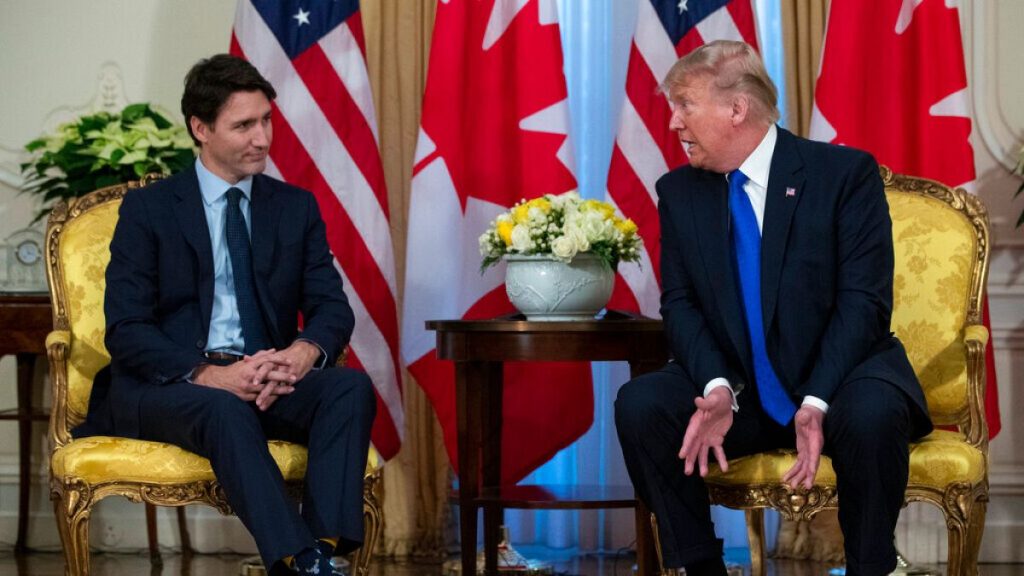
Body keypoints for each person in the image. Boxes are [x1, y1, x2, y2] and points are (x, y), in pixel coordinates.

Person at [614, 40, 932, 576]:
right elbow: (682, 304)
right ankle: (701, 567)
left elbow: (864, 304)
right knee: (642, 405)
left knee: (875, 414)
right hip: (742, 393)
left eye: (685, 104)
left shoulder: (843, 175)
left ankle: (871, 567)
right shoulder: (680, 192)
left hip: (841, 380)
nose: (673, 123)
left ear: (736, 108)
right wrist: (716, 387)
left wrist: (816, 399)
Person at [78, 54, 375, 576]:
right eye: (244, 125)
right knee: (224, 408)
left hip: (265, 377)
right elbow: (126, 330)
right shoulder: (150, 210)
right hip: (171, 384)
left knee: (348, 388)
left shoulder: (294, 207)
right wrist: (211, 375)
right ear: (201, 128)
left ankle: (324, 550)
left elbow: (330, 305)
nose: (262, 138)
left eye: (266, 121)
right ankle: (296, 558)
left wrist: (302, 354)